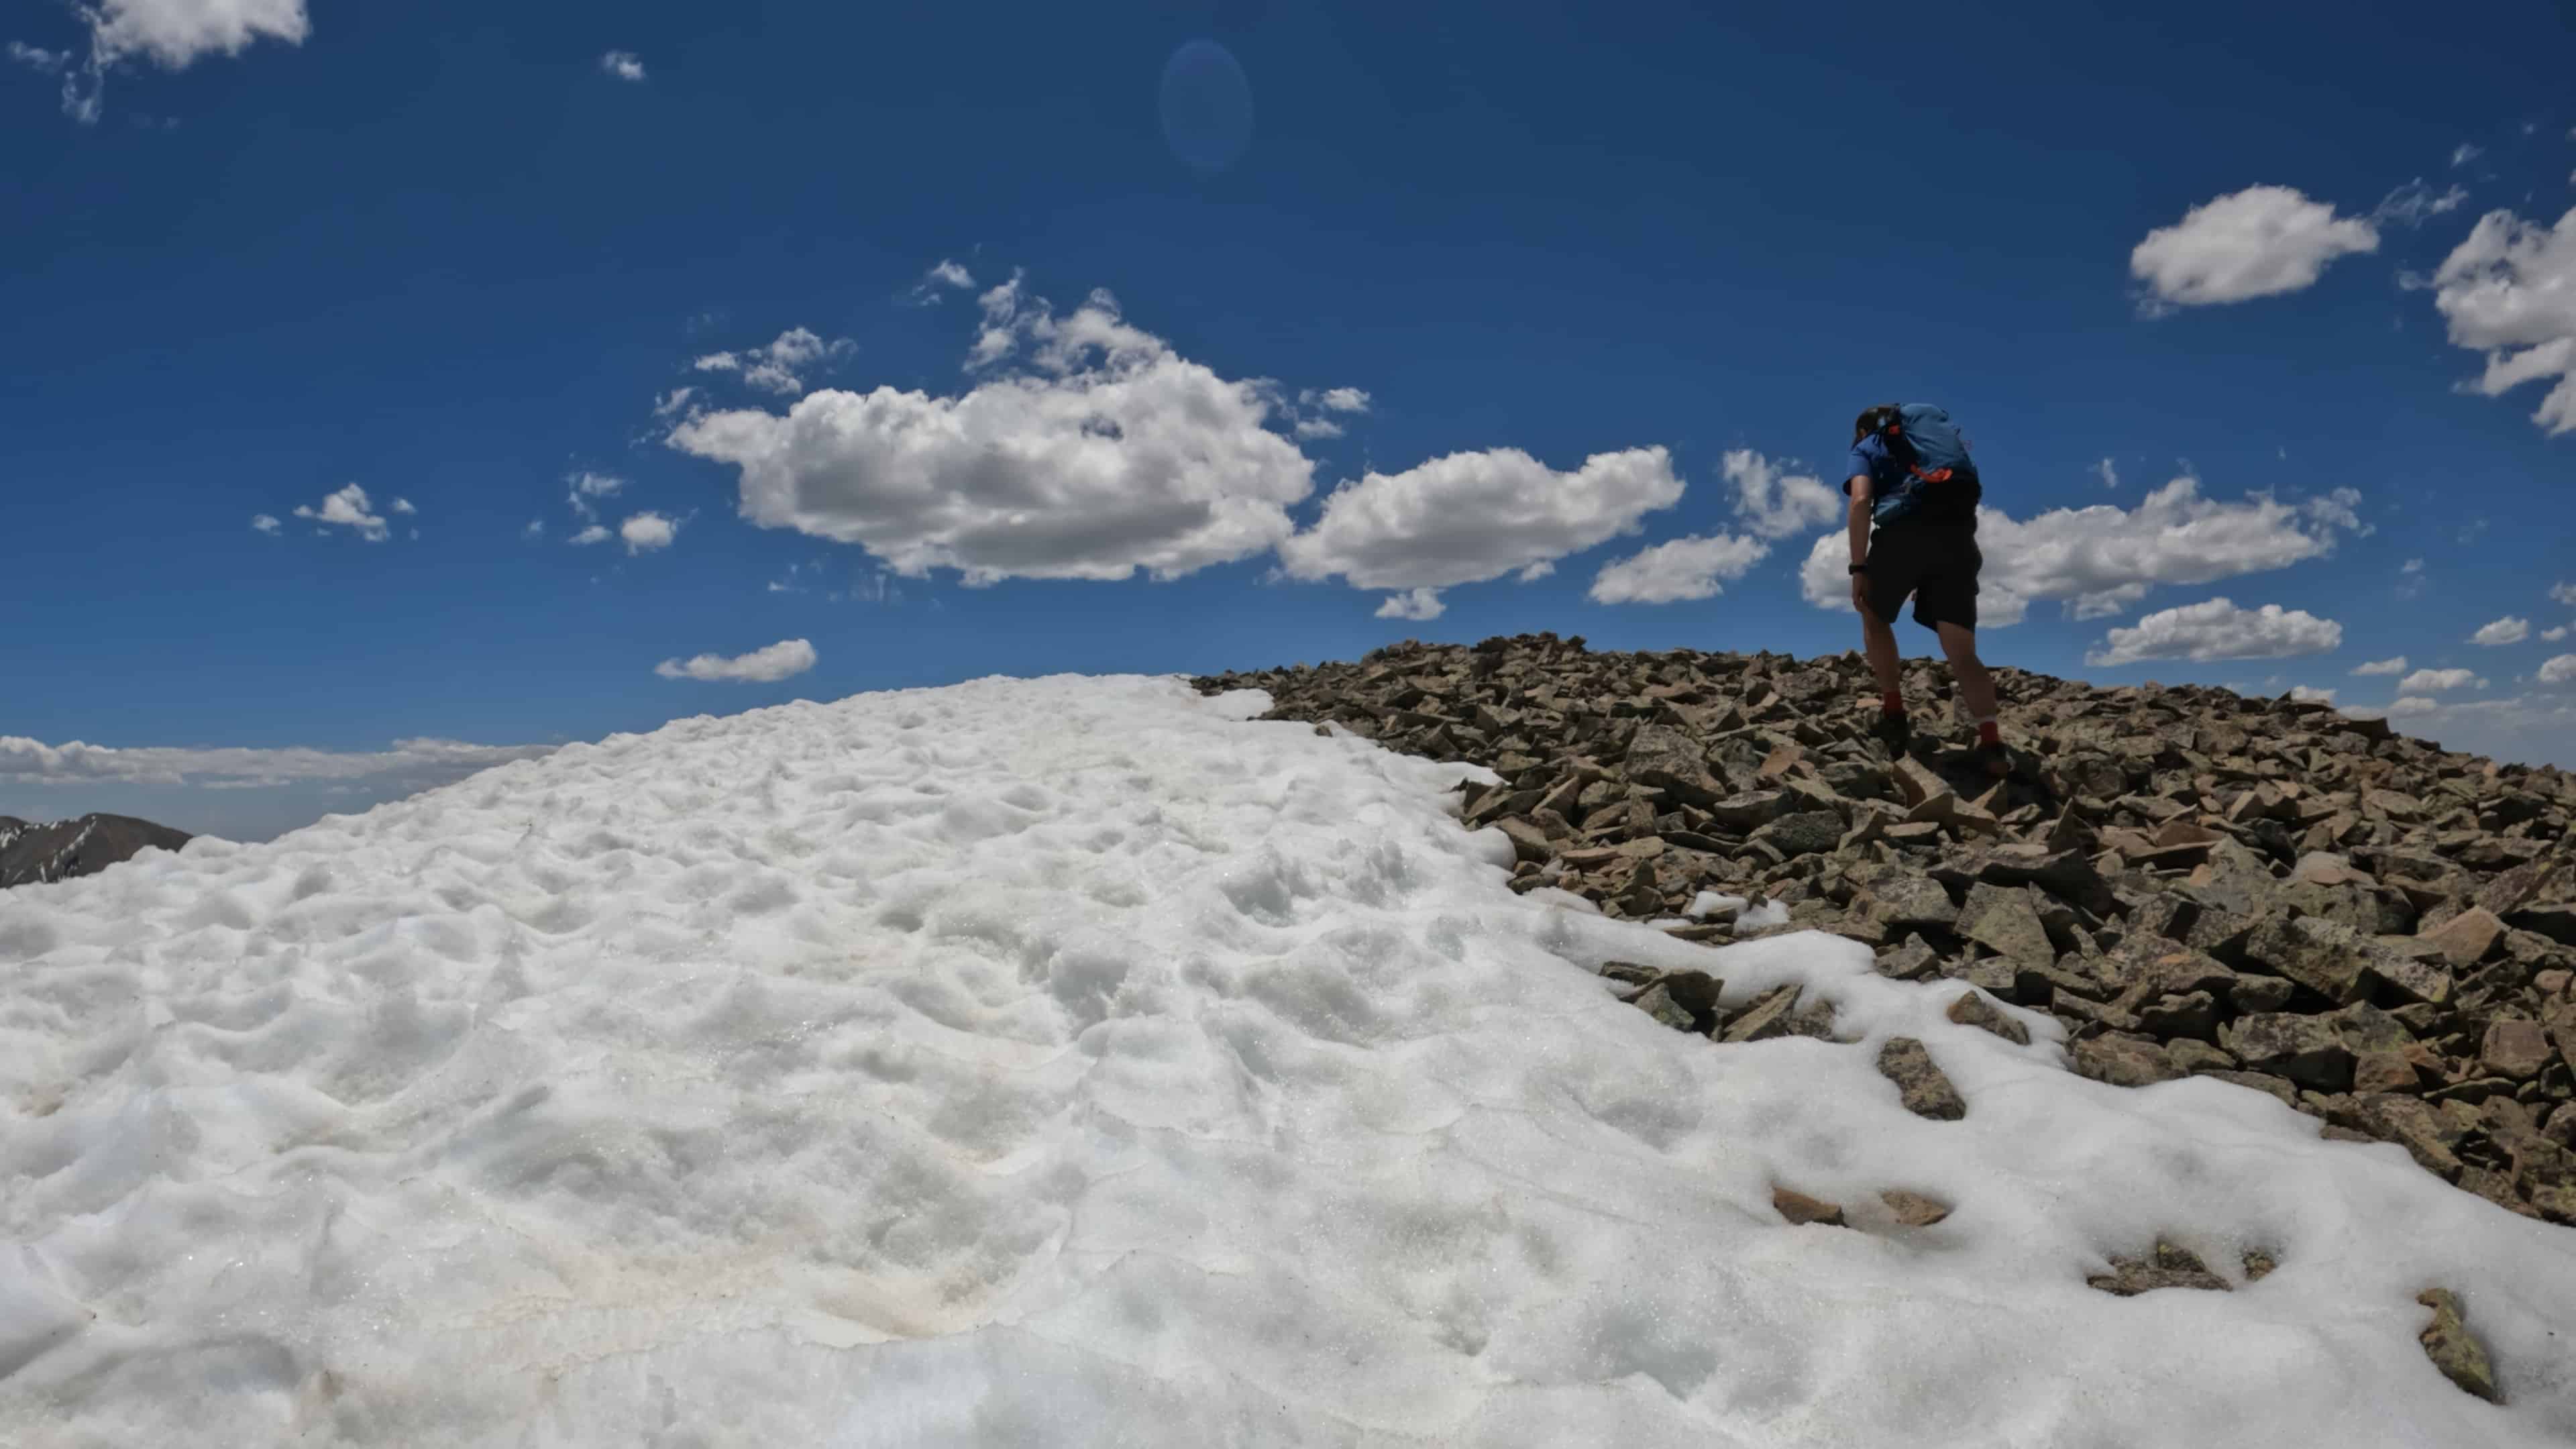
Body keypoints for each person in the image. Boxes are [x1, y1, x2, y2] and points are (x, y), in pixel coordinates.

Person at [1841, 402, 2008, 777]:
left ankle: (1894, 714)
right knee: (1963, 654)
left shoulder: (1867, 447)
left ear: (1864, 430)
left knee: (1873, 613)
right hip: (1958, 541)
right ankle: (1992, 744)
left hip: (1900, 539)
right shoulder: (1936, 446)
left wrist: (1858, 568)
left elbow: (1861, 501)